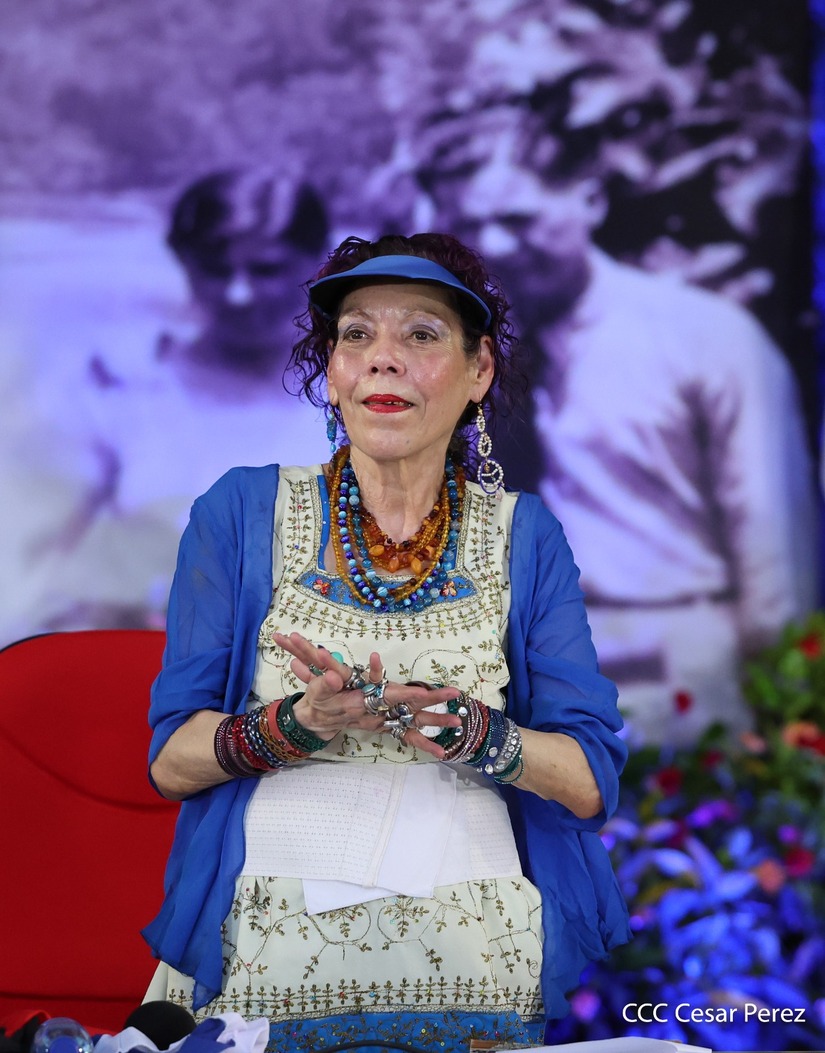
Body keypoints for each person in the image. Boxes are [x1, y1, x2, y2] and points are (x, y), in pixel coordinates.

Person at [142, 232, 630, 1051]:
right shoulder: (240, 514)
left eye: (421, 334)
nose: (382, 358)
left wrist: (477, 732)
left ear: (479, 371)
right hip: (263, 950)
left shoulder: (524, 535)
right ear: (333, 372)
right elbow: (170, 761)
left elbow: (587, 781)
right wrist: (294, 725)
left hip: (474, 954)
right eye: (356, 334)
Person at [417, 108, 819, 747]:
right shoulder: (443, 364)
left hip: (678, 681)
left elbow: (774, 550)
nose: (495, 246)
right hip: (502, 690)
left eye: (518, 219)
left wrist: (784, 714)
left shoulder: (705, 340)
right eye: (469, 229)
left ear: (589, 198)